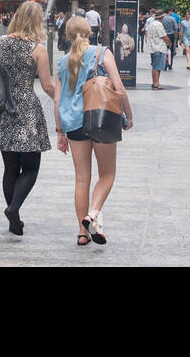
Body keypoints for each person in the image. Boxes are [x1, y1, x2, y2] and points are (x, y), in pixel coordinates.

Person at [0, 1, 56, 236]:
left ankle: (14, 216)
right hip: (26, 110)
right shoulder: (38, 49)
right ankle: (14, 208)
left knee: (10, 167)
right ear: (37, 21)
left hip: (1, 108)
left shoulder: (0, 43)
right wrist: (63, 98)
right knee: (31, 168)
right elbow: (47, 85)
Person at [55, 15, 132, 246]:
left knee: (81, 179)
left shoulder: (63, 61)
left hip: (73, 124)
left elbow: (57, 99)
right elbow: (119, 88)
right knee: (107, 174)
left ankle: (82, 232)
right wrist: (129, 116)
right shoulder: (102, 53)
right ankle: (93, 214)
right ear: (90, 32)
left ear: (67, 36)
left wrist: (60, 131)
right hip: (100, 119)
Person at [145, 11, 168, 89]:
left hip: (152, 48)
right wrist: (169, 43)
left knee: (154, 66)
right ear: (161, 17)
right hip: (159, 47)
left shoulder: (151, 24)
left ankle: (153, 82)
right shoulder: (159, 25)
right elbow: (164, 36)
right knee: (158, 67)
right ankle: (156, 84)